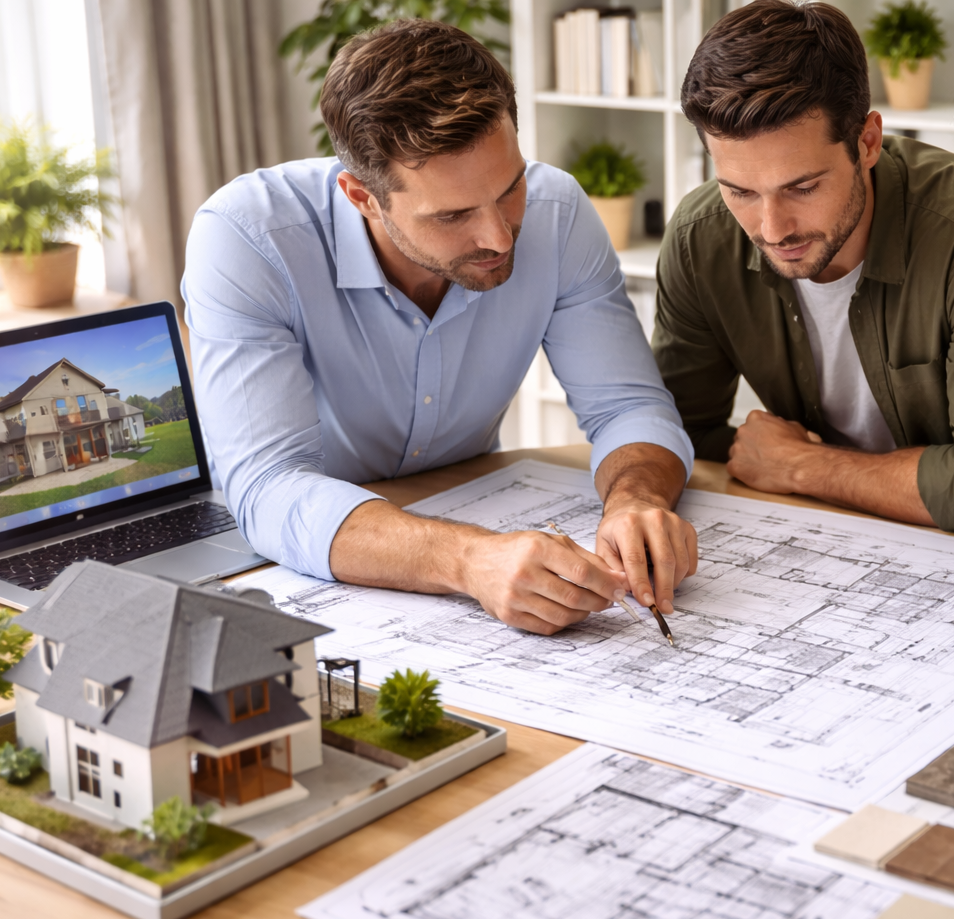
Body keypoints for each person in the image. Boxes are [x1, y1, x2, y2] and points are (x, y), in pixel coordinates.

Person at [182, 21, 697, 636]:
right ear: (361, 197)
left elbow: (628, 406)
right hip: (304, 569)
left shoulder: (558, 213)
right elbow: (268, 486)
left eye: (510, 190)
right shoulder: (247, 237)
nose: (500, 236)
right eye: (452, 215)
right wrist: (469, 559)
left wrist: (636, 497)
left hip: (461, 505)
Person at [652, 0, 954, 535]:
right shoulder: (698, 238)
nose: (773, 228)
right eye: (741, 191)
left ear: (867, 141)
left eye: (802, 187)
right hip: (821, 536)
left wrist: (800, 465)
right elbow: (673, 432)